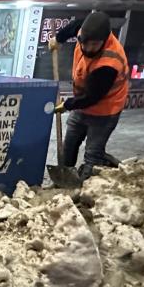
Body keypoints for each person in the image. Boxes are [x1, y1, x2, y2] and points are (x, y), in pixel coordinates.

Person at [48, 11, 128, 178]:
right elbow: (75, 25)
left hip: (105, 111)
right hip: (82, 104)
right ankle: (65, 178)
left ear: (104, 40)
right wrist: (59, 39)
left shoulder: (109, 62)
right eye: (85, 44)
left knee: (92, 152)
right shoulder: (84, 31)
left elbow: (93, 97)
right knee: (69, 144)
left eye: (94, 45)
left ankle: (85, 190)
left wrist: (69, 104)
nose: (88, 48)